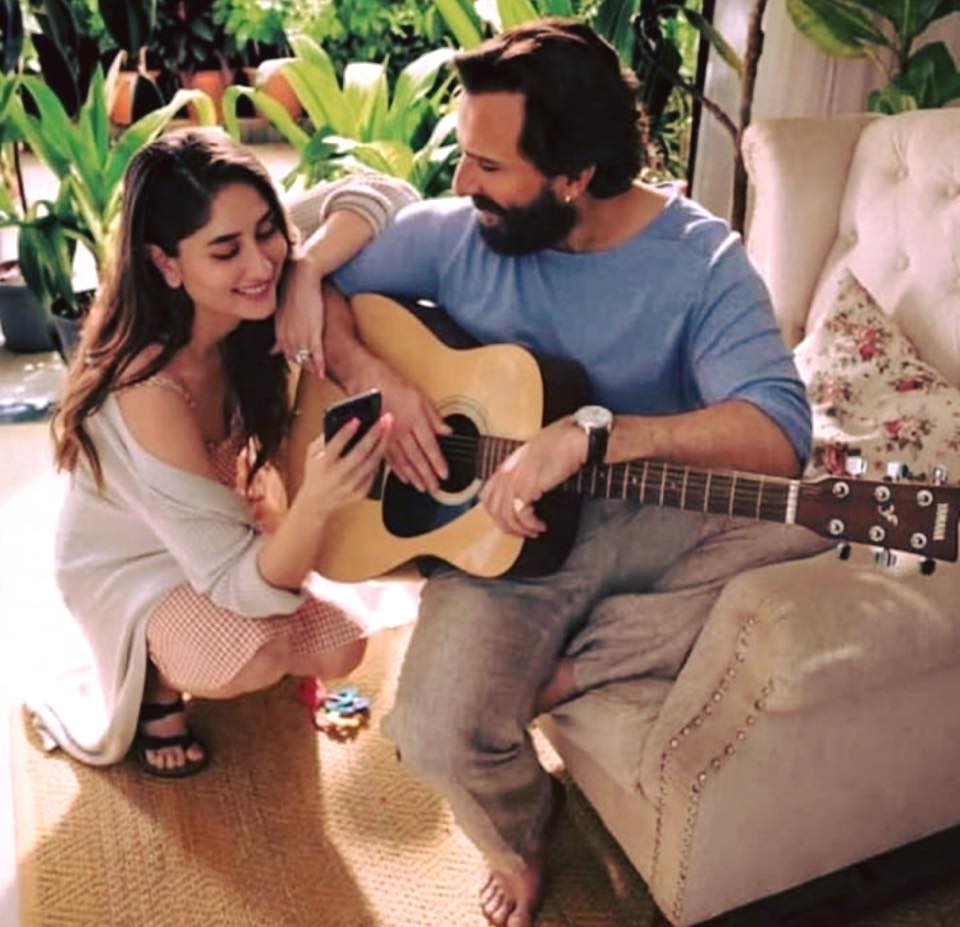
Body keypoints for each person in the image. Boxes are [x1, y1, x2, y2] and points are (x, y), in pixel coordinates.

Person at [281, 19, 831, 927]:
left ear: (575, 176)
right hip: (504, 537)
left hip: (649, 513)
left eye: (488, 165)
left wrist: (597, 434)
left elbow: (777, 432)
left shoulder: (700, 263)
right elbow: (327, 278)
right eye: (465, 154)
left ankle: (577, 667)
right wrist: (373, 374)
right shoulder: (460, 233)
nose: (462, 182)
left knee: (814, 525)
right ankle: (523, 835)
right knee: (431, 734)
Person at [35, 128, 417, 778]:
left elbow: (392, 194)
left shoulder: (253, 256)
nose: (260, 265)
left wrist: (307, 270)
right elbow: (242, 588)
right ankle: (155, 684)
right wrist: (316, 503)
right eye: (226, 251)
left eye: (267, 232)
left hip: (222, 531)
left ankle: (208, 636)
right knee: (250, 653)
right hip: (135, 565)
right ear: (166, 263)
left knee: (343, 650)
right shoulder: (148, 391)